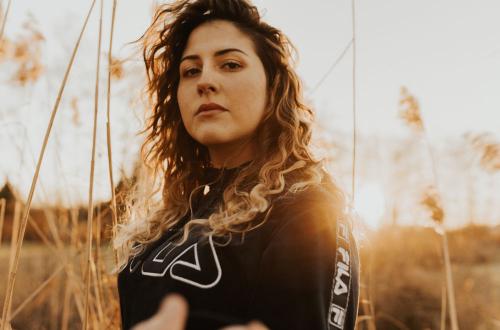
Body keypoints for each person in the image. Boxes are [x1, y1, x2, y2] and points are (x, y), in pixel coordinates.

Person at [113, 0, 360, 329]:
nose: (205, 81)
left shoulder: (307, 210)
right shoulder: (168, 220)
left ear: (273, 88)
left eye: (229, 64)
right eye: (191, 70)